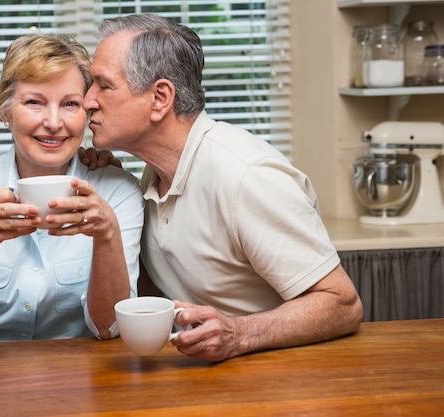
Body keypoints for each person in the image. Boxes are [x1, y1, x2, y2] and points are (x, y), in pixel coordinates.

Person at [82, 14, 363, 362]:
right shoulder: (153, 174)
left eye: (103, 85)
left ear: (159, 98)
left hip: (285, 381)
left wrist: (240, 334)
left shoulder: (247, 176)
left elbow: (342, 303)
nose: (88, 100)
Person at [0, 33, 144, 349]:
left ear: (88, 113)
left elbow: (109, 328)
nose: (53, 123)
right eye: (34, 102)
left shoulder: (117, 191)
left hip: (74, 377)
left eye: (70, 104)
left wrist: (107, 234)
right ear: (5, 112)